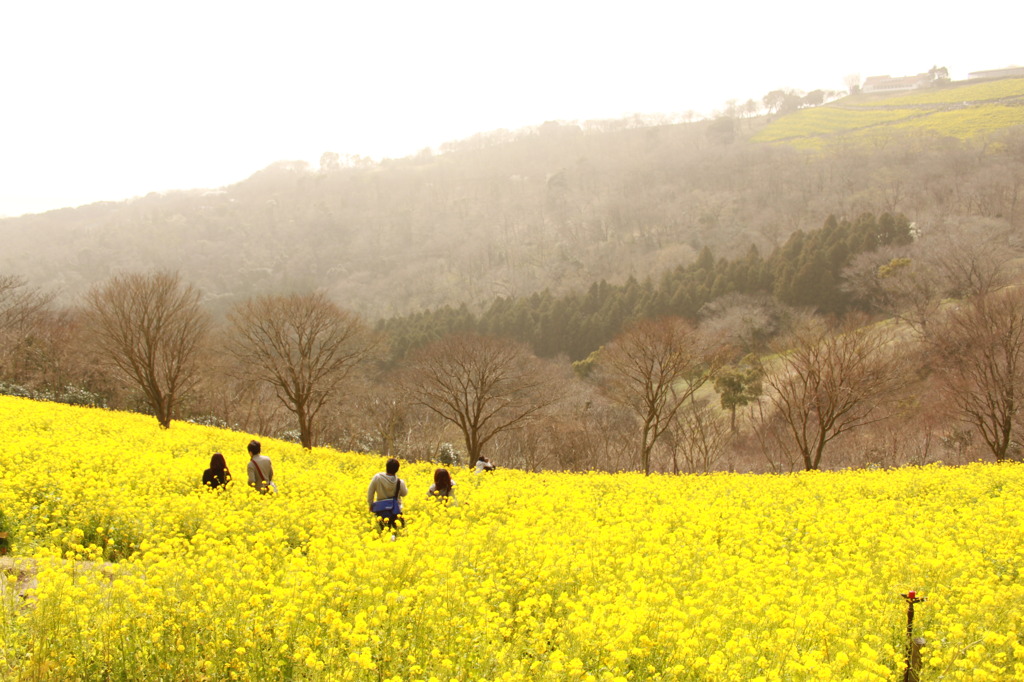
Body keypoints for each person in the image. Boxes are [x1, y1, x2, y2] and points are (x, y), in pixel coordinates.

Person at [368, 458, 408, 531]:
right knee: (396, 532)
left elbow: (370, 492)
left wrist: (371, 504)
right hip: (395, 511)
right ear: (397, 469)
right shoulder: (400, 482)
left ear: (386, 467)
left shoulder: (377, 478)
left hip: (381, 510)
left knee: (383, 532)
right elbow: (404, 493)